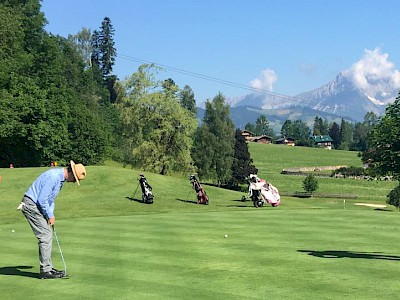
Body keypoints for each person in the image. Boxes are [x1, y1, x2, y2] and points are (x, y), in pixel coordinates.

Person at [17, 160, 86, 279]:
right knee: (45, 235)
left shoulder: (59, 179)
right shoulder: (54, 177)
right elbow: (42, 200)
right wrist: (50, 215)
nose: (74, 182)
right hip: (31, 205)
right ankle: (45, 270)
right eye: (75, 179)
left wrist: (51, 213)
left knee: (47, 235)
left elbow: (49, 200)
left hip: (36, 205)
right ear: (71, 173)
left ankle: (48, 267)